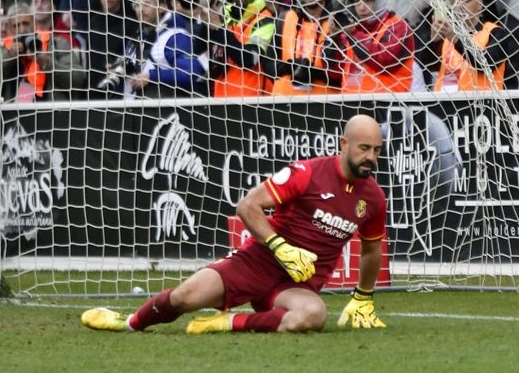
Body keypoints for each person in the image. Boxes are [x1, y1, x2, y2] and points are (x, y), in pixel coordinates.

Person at [81, 114, 388, 333]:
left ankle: (228, 322)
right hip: (258, 262)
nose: (370, 157)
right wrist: (280, 247)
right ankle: (130, 322)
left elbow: (372, 250)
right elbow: (248, 205)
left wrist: (363, 295)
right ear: (344, 144)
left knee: (313, 315)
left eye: (376, 150)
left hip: (297, 286)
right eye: (364, 148)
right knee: (185, 297)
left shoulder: (373, 197)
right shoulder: (308, 172)